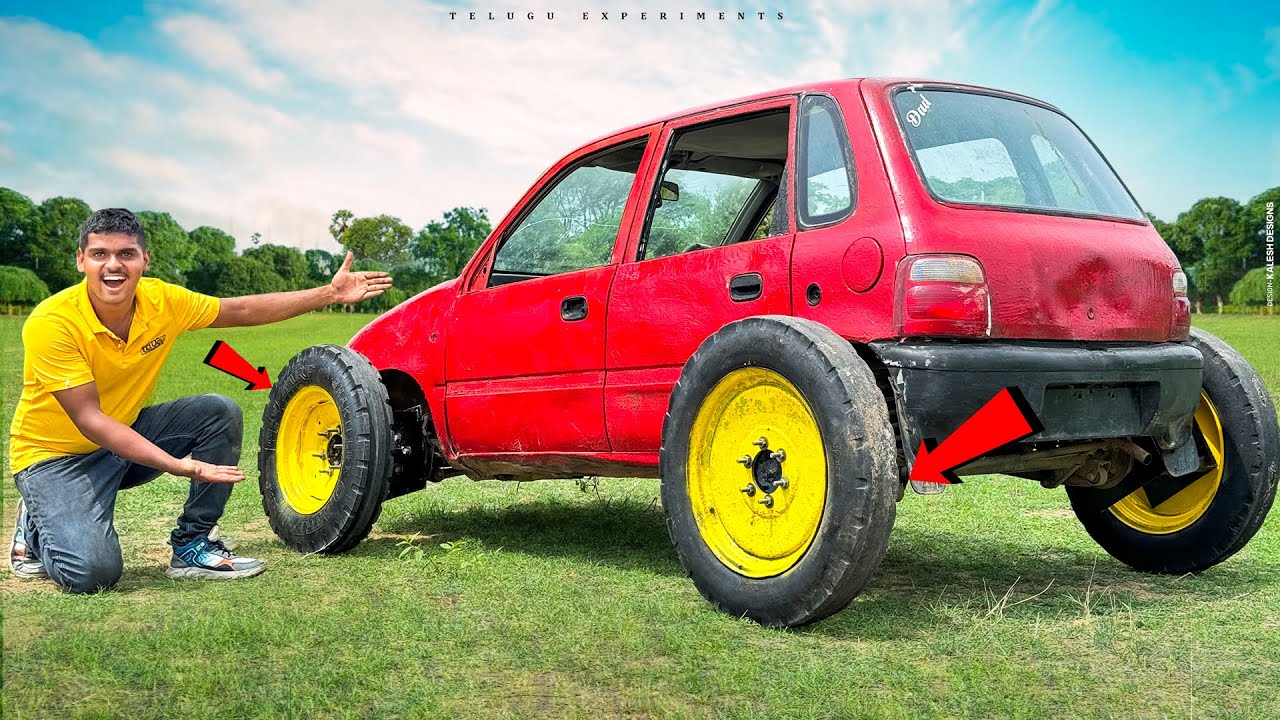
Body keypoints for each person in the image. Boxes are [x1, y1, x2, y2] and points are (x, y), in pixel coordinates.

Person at [7, 208, 392, 593]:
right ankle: (37, 520)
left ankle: (192, 545)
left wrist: (330, 293)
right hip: (55, 459)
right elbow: (89, 418)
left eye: (126, 253)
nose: (113, 265)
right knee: (92, 574)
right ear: (81, 261)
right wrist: (179, 466)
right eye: (99, 254)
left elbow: (238, 310)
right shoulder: (52, 322)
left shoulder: (162, 301)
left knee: (217, 413)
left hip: (122, 438)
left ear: (145, 260)